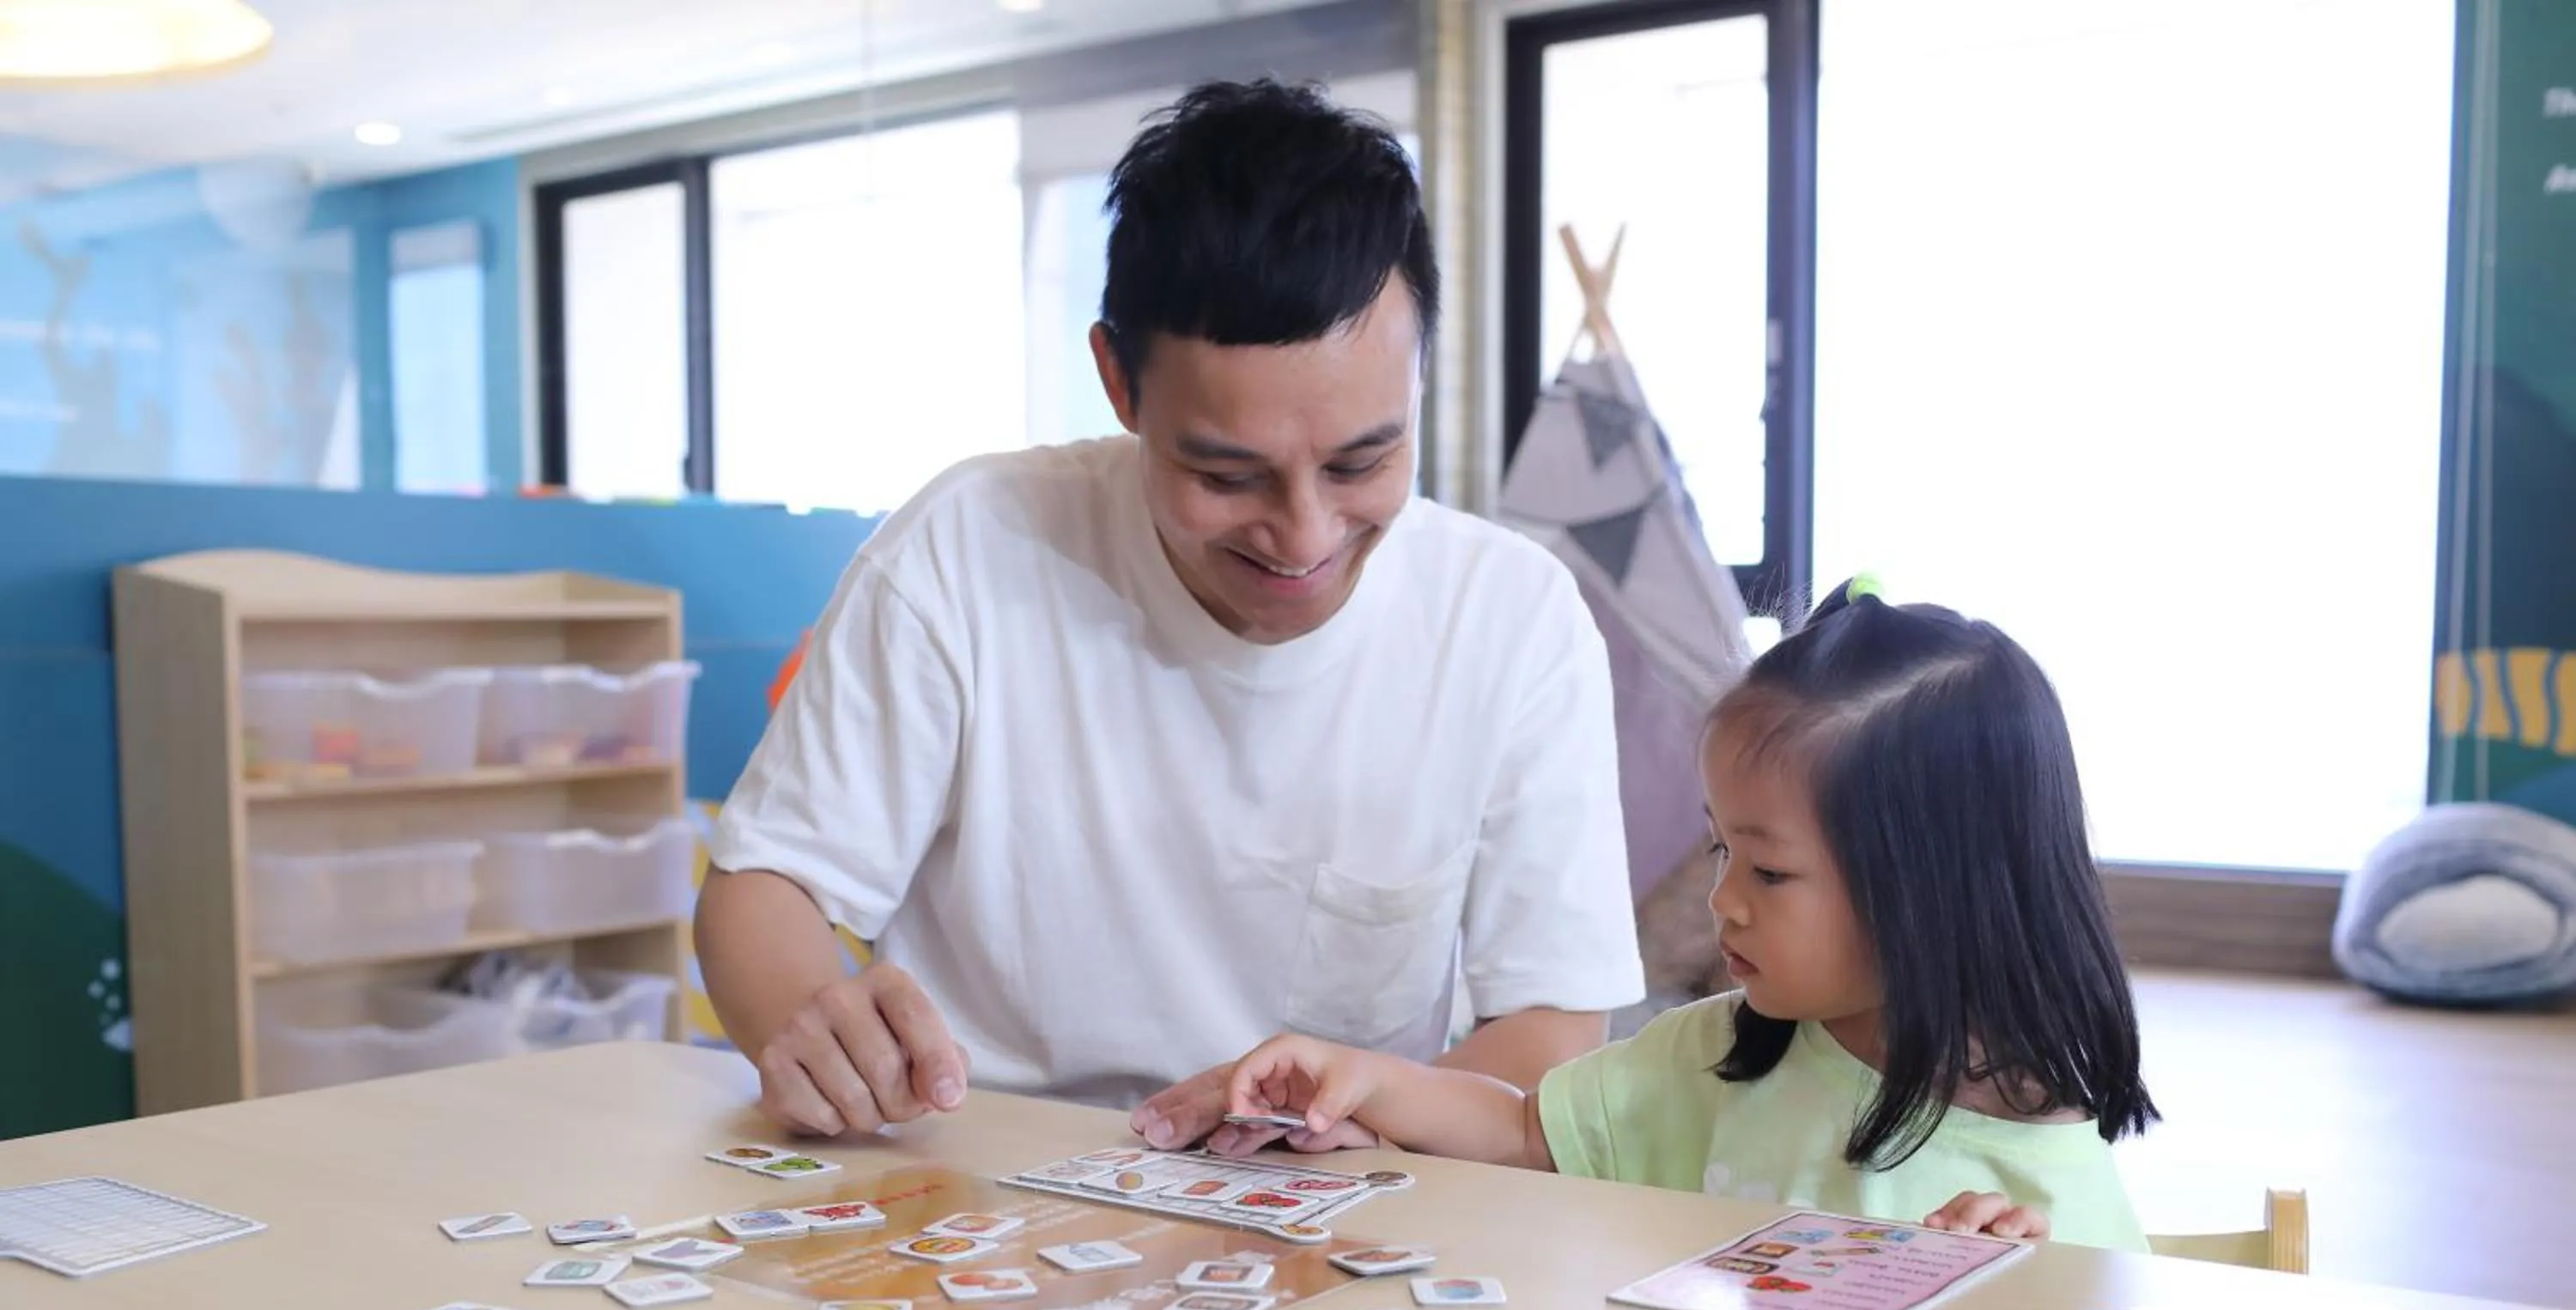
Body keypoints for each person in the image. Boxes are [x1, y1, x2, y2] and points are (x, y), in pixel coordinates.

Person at [697, 79, 1643, 1143]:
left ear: (1419, 373)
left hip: (1345, 1196)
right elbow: (767, 883)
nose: (1303, 535)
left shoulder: (1511, 618)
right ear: (1118, 381)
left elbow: (1553, 1022)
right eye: (1228, 475)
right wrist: (816, 1025)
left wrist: (1365, 1128)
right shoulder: (964, 549)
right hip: (977, 1169)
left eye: (1361, 462)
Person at [1217, 580, 2160, 1248]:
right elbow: (1522, 1133)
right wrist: (1361, 1080)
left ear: (1931, 890)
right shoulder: (1714, 1051)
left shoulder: (2041, 1169)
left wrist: (2010, 1294)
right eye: (1721, 851)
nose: (1723, 900)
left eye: (1771, 872)